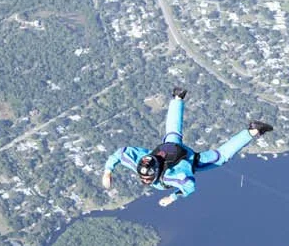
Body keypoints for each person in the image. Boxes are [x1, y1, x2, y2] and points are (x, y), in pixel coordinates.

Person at [102, 87, 270, 206]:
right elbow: (119, 154)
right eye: (143, 177)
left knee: (221, 157)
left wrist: (172, 198)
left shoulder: (172, 176)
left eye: (146, 178)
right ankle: (177, 97)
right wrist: (108, 171)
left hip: (188, 159)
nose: (144, 180)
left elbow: (190, 186)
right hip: (169, 147)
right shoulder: (139, 161)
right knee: (173, 131)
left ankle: (253, 131)